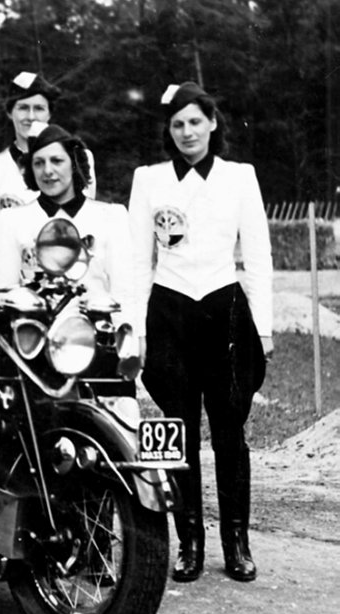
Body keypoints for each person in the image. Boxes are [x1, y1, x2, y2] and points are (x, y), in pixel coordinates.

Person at [129, 81, 273, 583]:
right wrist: (136, 328)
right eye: (178, 124)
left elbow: (256, 255)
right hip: (169, 310)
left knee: (230, 430)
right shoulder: (148, 180)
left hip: (224, 308)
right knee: (174, 428)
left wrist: (265, 326)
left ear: (212, 123)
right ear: (169, 131)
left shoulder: (240, 177)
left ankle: (237, 543)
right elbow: (134, 259)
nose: (188, 132)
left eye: (196, 121)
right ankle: (188, 541)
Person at [0, 121, 133, 322]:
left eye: (56, 161)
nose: (47, 171)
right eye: (39, 163)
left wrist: (129, 344)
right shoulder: (12, 220)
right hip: (32, 339)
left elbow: (125, 292)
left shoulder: (111, 217)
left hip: (95, 339)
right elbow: (3, 292)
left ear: (73, 164)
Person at [0, 71, 97, 241]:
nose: (31, 117)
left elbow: (86, 220)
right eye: (23, 108)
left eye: (39, 108)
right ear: (10, 112)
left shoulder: (77, 158)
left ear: (49, 113)